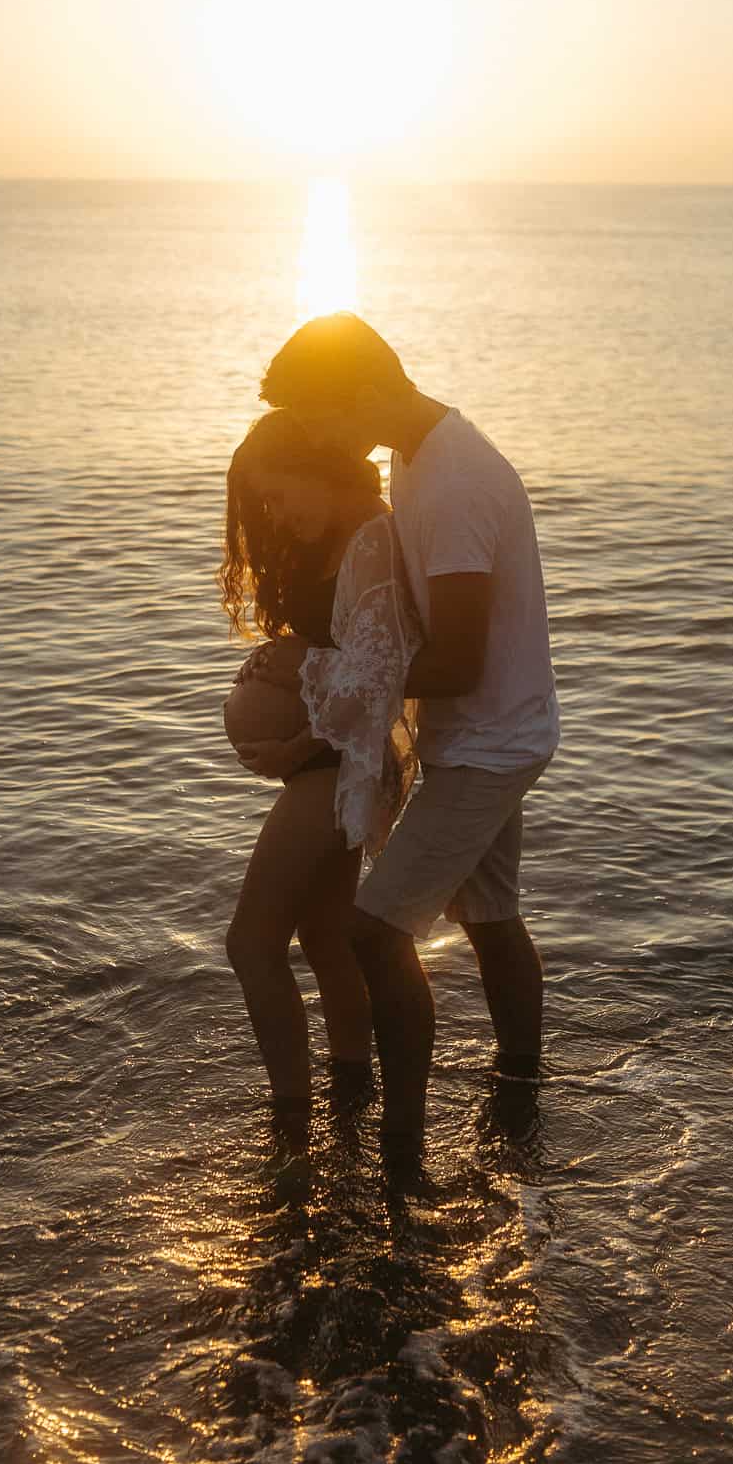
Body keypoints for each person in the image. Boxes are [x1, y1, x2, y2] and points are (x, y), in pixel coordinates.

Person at [243, 315, 559, 1166]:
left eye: (320, 419)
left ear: (366, 393)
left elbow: (456, 661)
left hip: (488, 739)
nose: (319, 441)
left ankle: (401, 1146)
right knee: (490, 917)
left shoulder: (453, 485)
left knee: (371, 934)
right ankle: (520, 1093)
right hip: (493, 730)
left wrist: (321, 674)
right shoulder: (421, 455)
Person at [219, 407, 421, 1141]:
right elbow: (334, 646)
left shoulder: (372, 537)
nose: (275, 513)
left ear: (317, 471)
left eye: (280, 494)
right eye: (263, 502)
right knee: (322, 935)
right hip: (323, 756)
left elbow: (381, 675)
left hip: (340, 761)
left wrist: (292, 745)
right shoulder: (336, 537)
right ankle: (350, 1091)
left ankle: (290, 1125)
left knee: (251, 943)